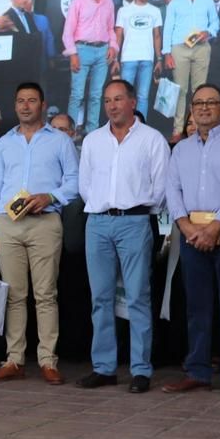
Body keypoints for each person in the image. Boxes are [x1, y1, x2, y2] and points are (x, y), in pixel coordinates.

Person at [0, 82, 79, 385]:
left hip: (45, 222)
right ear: (15, 106)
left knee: (45, 295)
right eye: (20, 101)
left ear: (42, 104)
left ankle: (48, 361)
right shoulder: (3, 144)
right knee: (14, 295)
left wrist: (50, 197)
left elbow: (75, 182)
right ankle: (14, 360)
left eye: (32, 101)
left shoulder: (60, 141)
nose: (25, 106)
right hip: (7, 223)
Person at [76, 80, 169, 394]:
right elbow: (85, 185)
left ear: (133, 101)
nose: (112, 106)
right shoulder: (92, 140)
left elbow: (160, 187)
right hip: (98, 223)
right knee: (100, 298)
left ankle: (141, 370)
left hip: (135, 221)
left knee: (138, 297)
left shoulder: (152, 139)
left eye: (118, 99)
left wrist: (137, 209)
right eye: (107, 101)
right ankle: (104, 368)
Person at [163, 83, 220, 399]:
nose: (204, 108)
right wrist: (187, 227)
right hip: (191, 234)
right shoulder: (181, 149)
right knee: (196, 307)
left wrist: (215, 227)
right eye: (198, 103)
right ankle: (198, 371)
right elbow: (171, 190)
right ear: (191, 110)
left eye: (211, 103)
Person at [162, 0, 219, 141]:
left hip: (201, 47)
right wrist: (167, 54)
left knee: (200, 91)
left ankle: (198, 128)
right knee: (180, 90)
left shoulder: (207, 0)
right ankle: (178, 129)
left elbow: (215, 22)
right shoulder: (175, 3)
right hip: (179, 48)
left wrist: (208, 32)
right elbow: (168, 28)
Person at [62, 0, 118, 134]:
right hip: (82, 50)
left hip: (102, 51)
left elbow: (110, 28)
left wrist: (113, 47)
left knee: (96, 95)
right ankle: (69, 133)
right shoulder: (78, 1)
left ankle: (91, 132)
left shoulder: (108, 2)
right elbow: (68, 31)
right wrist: (73, 54)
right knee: (77, 95)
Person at [115, 0, 163, 118]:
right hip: (128, 58)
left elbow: (157, 36)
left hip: (147, 59)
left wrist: (159, 58)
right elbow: (118, 35)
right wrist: (116, 59)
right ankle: (124, 125)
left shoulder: (155, 11)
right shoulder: (124, 11)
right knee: (125, 96)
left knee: (143, 97)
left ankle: (141, 127)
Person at [0, 0, 56, 66]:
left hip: (33, 64)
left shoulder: (27, 15)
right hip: (16, 65)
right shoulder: (6, 17)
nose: (25, 0)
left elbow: (34, 37)